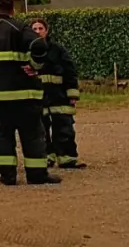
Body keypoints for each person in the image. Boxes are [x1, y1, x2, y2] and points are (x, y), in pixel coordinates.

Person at [0, 0, 61, 186]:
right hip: (24, 95)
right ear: (12, 10)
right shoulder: (20, 28)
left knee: (4, 135)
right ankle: (36, 175)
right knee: (31, 135)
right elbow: (39, 45)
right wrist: (35, 66)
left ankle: (8, 176)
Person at [31, 18, 86, 169]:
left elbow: (70, 71)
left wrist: (72, 94)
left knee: (64, 128)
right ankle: (47, 157)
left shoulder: (58, 50)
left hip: (59, 96)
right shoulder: (28, 52)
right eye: (34, 29)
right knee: (40, 131)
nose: (37, 31)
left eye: (40, 28)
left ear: (46, 31)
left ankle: (67, 158)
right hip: (38, 97)